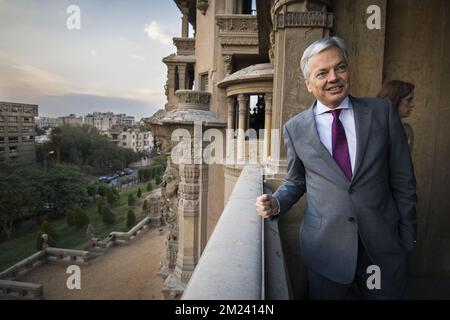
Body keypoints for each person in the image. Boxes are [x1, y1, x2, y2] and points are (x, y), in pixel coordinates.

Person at [255, 36, 417, 300]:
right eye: (322, 73)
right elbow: (296, 181)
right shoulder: (295, 129)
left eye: (340, 68)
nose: (334, 77)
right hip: (326, 252)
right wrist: (276, 202)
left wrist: (407, 237)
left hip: (382, 249)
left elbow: (404, 181)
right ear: (308, 84)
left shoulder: (382, 113)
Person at [377, 80, 415, 150]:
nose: (412, 105)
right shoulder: (373, 129)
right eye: (408, 100)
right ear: (393, 99)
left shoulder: (406, 130)